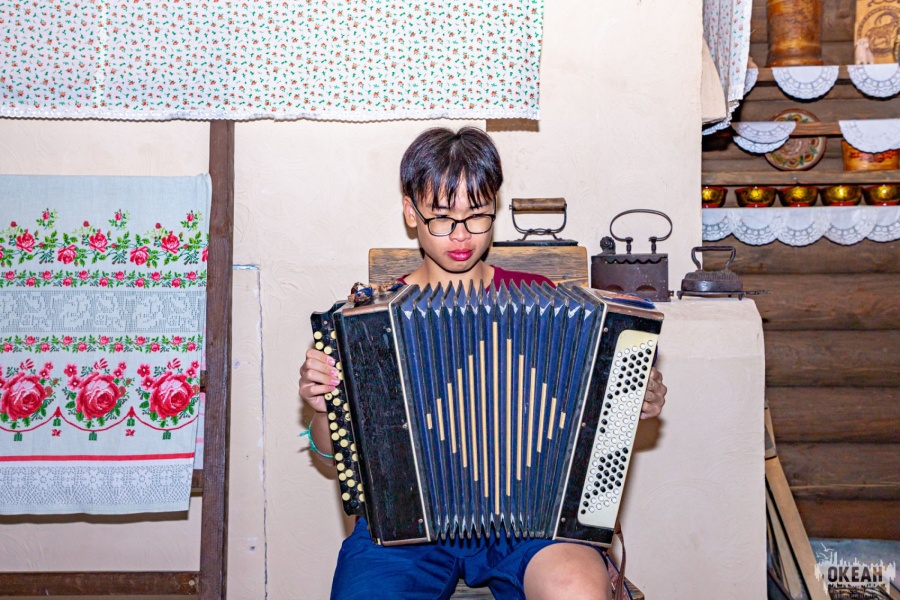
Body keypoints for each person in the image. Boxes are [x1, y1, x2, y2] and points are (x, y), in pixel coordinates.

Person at [298, 126, 667, 600]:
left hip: (534, 522)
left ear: (494, 207)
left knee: (578, 590)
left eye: (477, 216)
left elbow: (594, 420)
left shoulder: (543, 304)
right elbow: (330, 452)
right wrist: (322, 406)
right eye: (441, 218)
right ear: (410, 212)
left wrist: (631, 399)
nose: (461, 235)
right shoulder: (369, 323)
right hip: (407, 525)